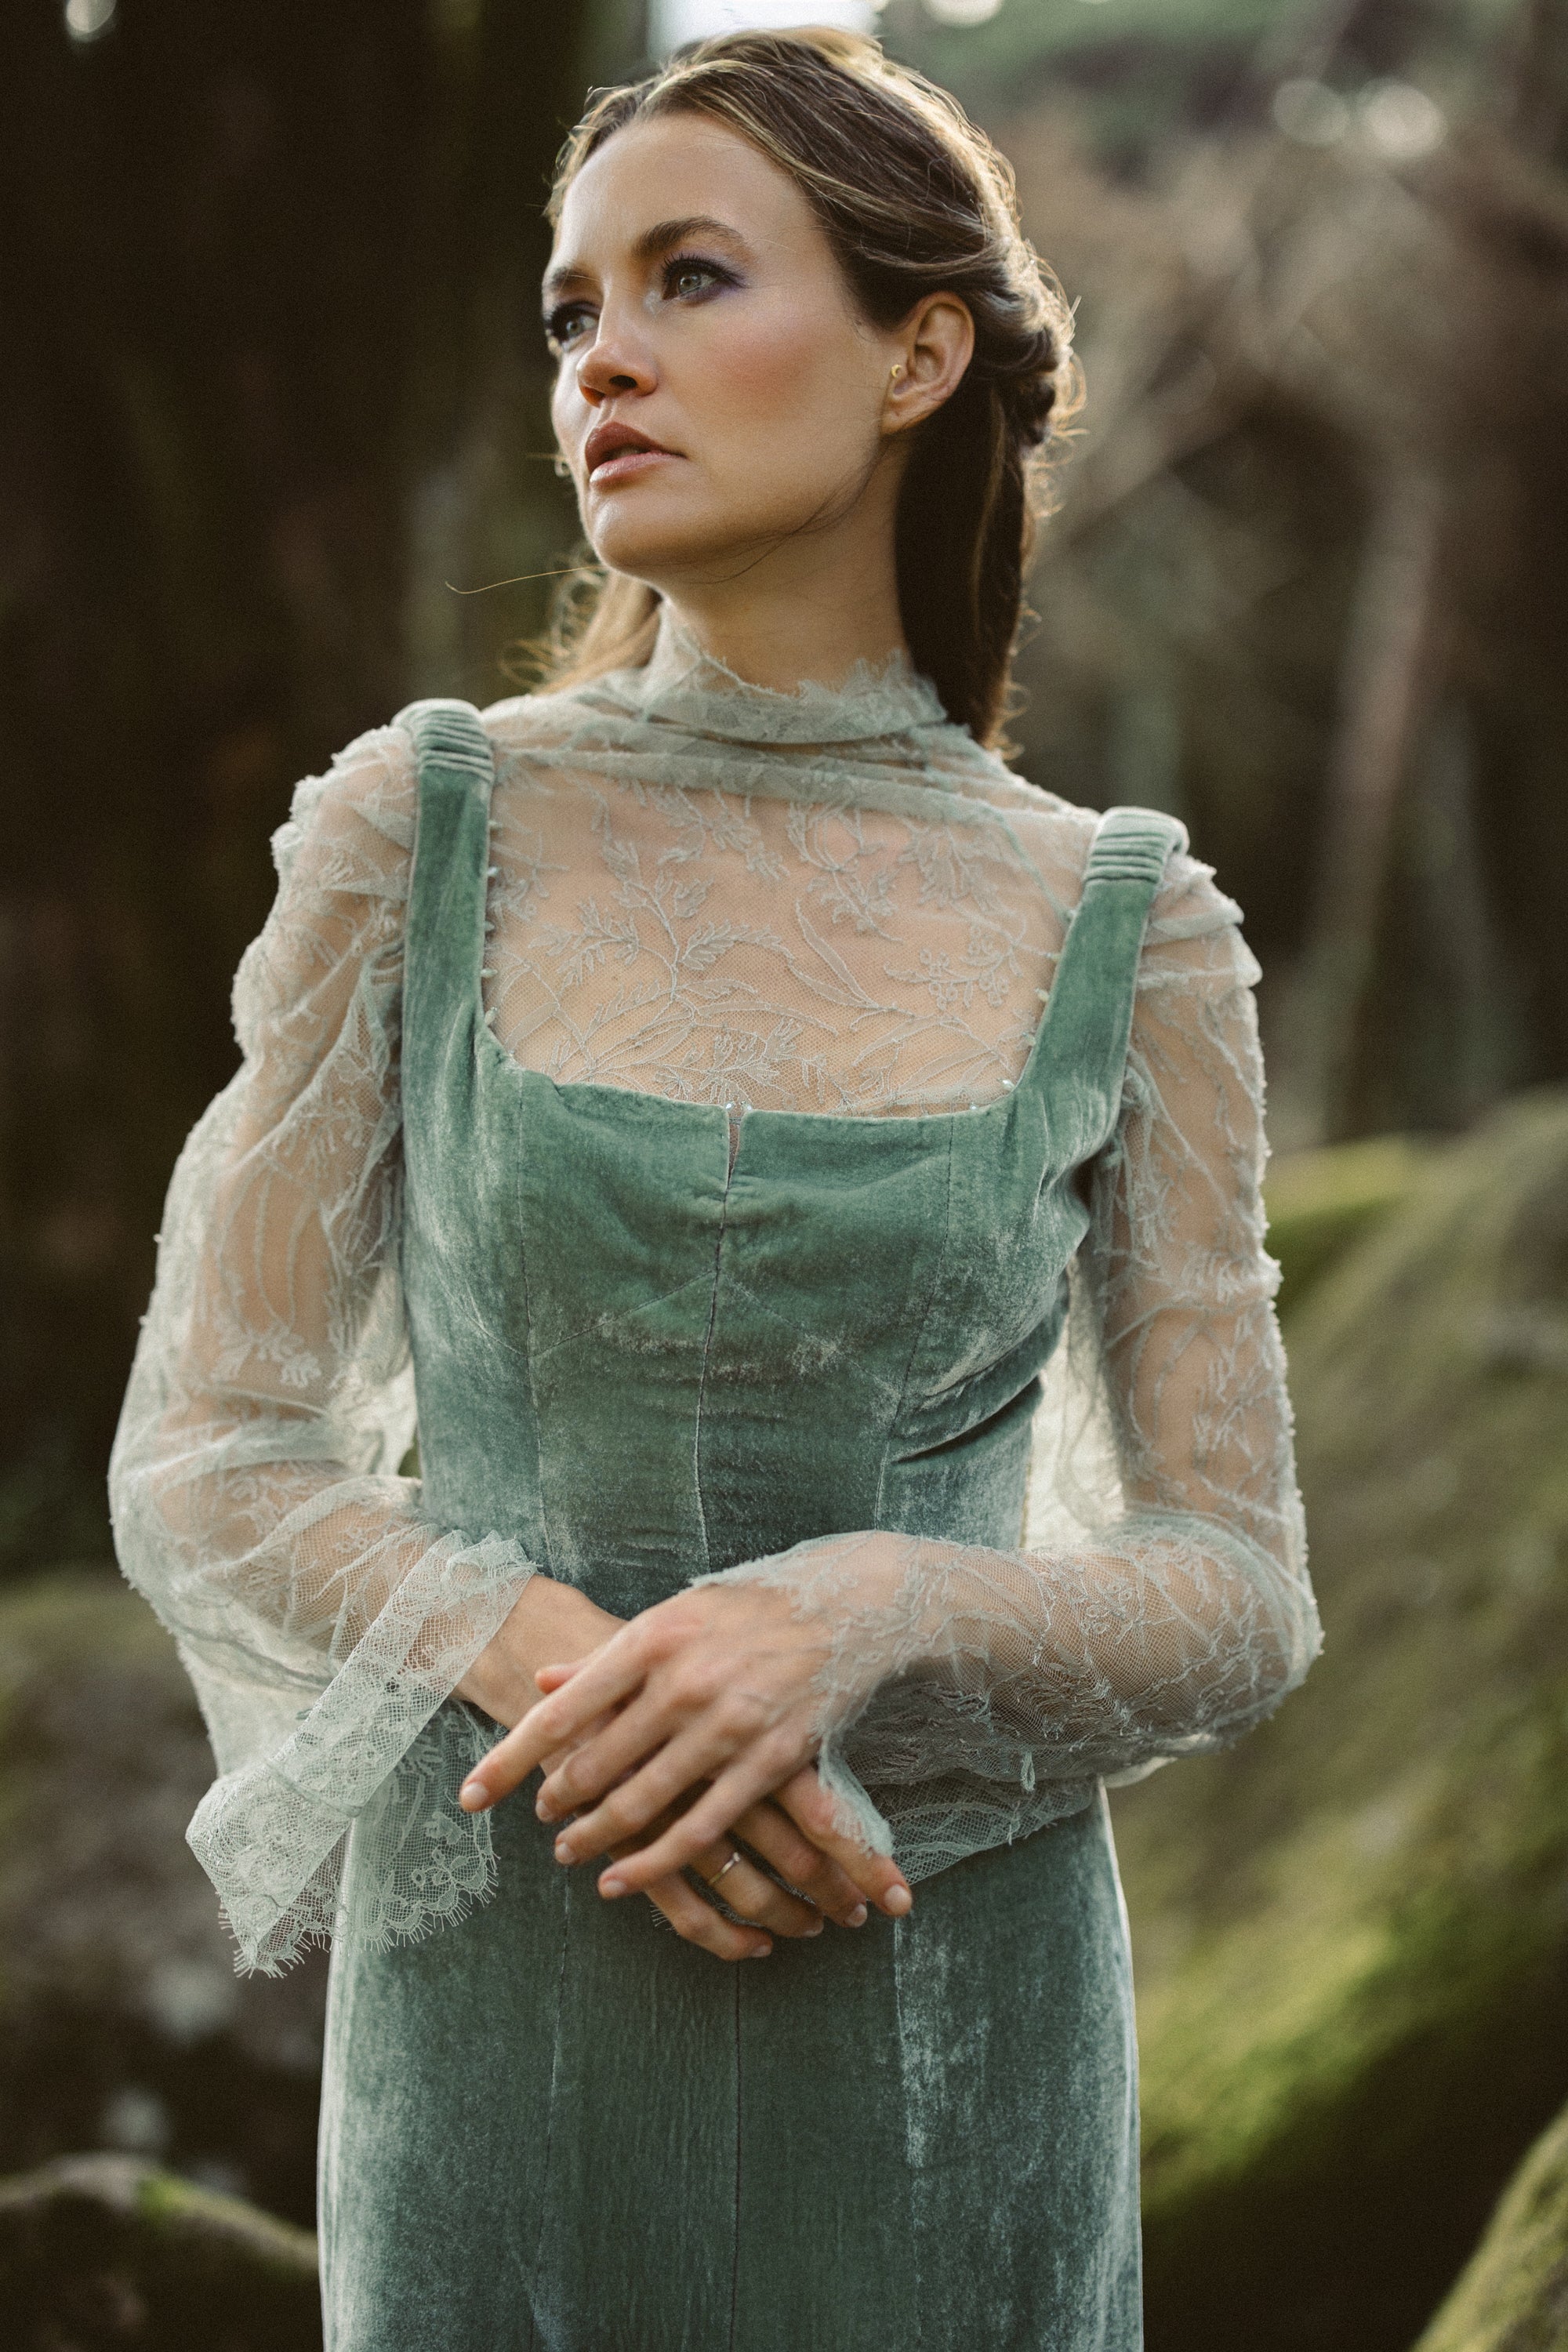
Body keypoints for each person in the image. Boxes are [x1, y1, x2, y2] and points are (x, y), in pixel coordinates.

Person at [110, 28, 1321, 2351]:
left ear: (918, 355)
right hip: (503, 2013)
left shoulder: (1131, 924)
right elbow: (206, 1451)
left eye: (688, 278)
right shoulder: (417, 827)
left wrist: (871, 1610)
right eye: (572, 310)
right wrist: (563, 1670)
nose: (604, 359)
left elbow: (1238, 1590)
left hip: (942, 2039)